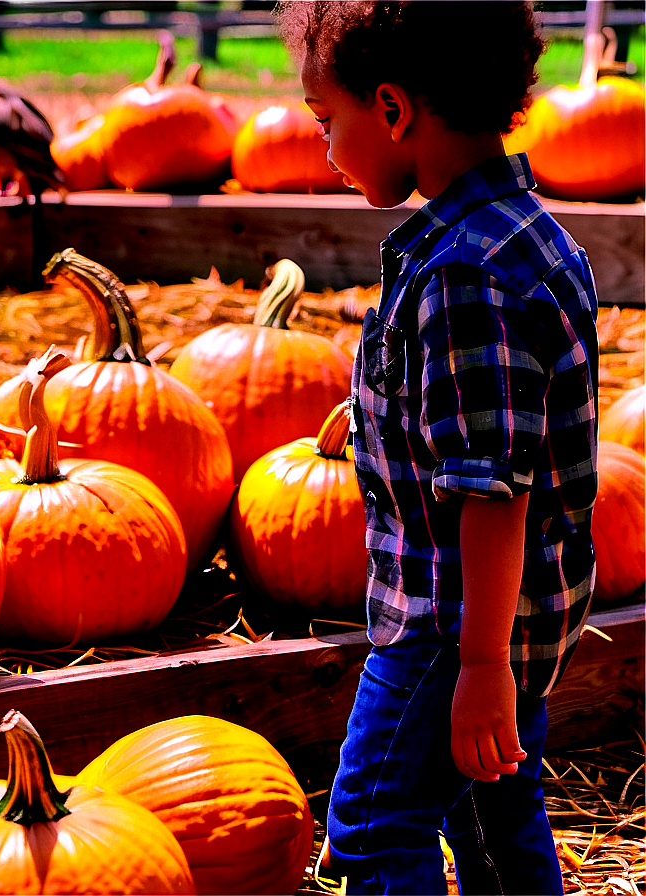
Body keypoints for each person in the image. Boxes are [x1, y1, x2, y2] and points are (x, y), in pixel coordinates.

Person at [274, 3, 599, 894]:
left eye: (324, 120)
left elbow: (493, 486)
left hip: (453, 625)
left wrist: (484, 668)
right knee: (488, 802)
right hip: (508, 612)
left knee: (375, 823)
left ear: (391, 109)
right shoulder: (529, 231)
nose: (325, 149)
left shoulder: (465, 274)